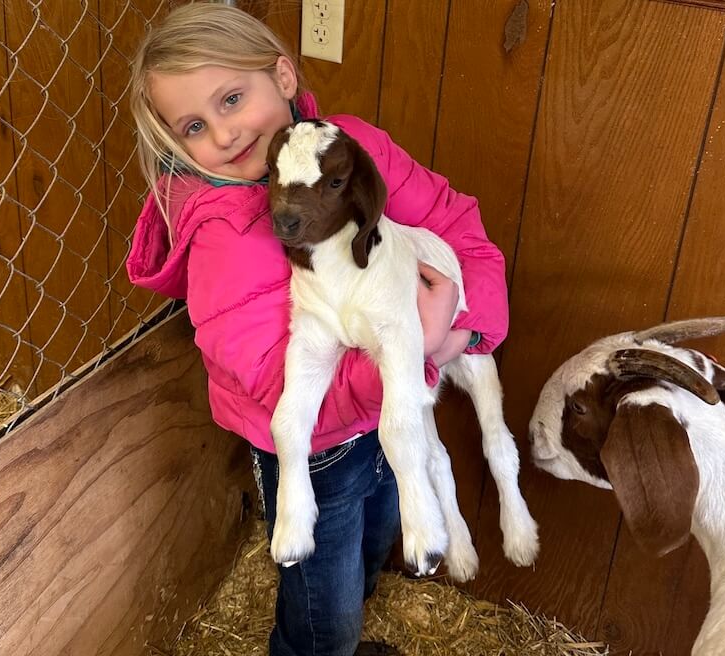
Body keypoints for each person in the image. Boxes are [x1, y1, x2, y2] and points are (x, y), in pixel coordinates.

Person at [126, 4, 509, 655]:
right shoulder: (222, 235)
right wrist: (409, 356)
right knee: (322, 600)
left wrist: (464, 331)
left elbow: (452, 226)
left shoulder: (350, 149)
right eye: (194, 126)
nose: (225, 132)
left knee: (375, 535)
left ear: (281, 75)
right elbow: (271, 373)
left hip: (382, 416)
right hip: (313, 447)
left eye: (232, 99)